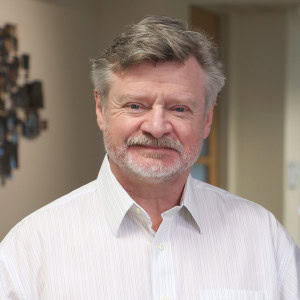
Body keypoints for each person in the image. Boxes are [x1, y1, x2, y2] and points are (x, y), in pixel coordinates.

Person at [0, 15, 299, 299]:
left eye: (180, 109)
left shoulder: (264, 238)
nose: (156, 128)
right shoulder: (30, 249)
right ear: (101, 109)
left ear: (207, 118)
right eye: (135, 106)